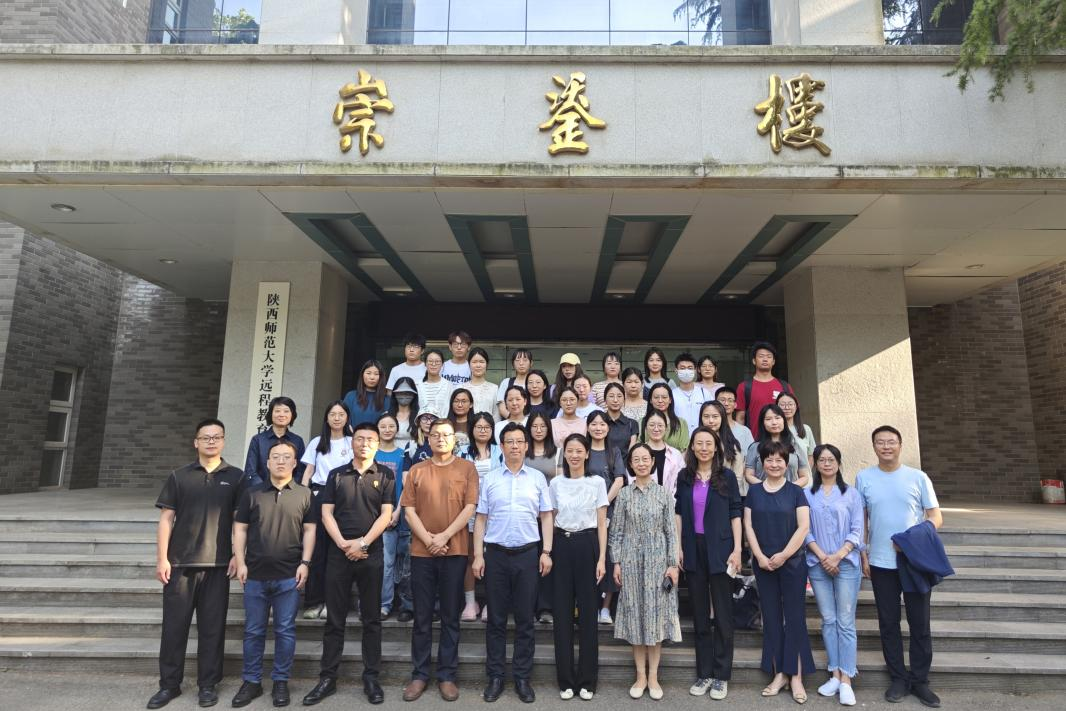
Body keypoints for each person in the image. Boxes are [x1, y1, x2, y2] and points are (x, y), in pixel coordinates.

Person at [148, 419, 246, 710]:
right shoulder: (179, 476)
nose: (211, 441)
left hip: (218, 565)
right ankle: (169, 685)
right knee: (174, 628)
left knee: (212, 629)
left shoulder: (237, 477)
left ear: (224, 441)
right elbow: (166, 520)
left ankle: (208, 685)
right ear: (196, 442)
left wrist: (237, 554)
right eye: (206, 437)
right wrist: (162, 558)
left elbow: (240, 523)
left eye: (217, 437)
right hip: (180, 565)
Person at [302, 423, 394, 707]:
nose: (365, 443)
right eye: (360, 439)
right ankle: (328, 678)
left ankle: (371, 677)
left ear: (377, 445)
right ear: (352, 443)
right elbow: (326, 513)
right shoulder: (336, 474)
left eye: (370, 440)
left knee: (372, 620)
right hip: (338, 554)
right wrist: (344, 543)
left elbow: (386, 515)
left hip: (371, 555)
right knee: (335, 619)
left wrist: (362, 543)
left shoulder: (385, 474)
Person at [856, 426, 943, 708]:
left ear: (900, 445)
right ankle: (897, 678)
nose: (886, 446)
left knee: (920, 623)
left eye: (891, 442)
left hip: (914, 561)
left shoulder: (918, 477)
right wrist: (863, 554)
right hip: (881, 563)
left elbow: (936, 517)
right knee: (888, 623)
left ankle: (920, 681)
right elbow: (862, 519)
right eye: (880, 442)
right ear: (874, 447)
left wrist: (910, 540)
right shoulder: (864, 478)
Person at [472, 422, 554, 704]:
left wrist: (546, 551)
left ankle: (522, 677)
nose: (515, 446)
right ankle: (495, 677)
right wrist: (478, 555)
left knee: (524, 620)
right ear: (502, 446)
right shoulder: (491, 479)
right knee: (495, 619)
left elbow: (546, 516)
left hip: (527, 555)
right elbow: (481, 518)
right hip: (495, 555)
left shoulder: (537, 479)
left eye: (520, 441)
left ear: (526, 446)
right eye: (510, 441)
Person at [400, 418, 480, 703]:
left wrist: (444, 536)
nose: (441, 439)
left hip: (454, 550)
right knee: (422, 616)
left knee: (449, 615)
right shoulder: (417, 470)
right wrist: (429, 539)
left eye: (446, 435)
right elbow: (409, 510)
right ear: (428, 438)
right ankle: (420, 674)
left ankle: (447, 675)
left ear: (454, 440)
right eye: (435, 435)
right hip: (422, 552)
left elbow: (470, 507)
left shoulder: (467, 468)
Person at [231, 440, 315, 708]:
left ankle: (281, 681)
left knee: (285, 630)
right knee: (253, 631)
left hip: (289, 575)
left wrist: (305, 563)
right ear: (267, 463)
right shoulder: (252, 493)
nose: (280, 461)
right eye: (275, 456)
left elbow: (310, 530)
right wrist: (240, 562)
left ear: (295, 463)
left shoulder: (304, 494)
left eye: (286, 457)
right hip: (255, 574)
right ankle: (251, 681)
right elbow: (240, 529)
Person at [744, 440, 814, 704]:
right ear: (762, 463)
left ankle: (796, 676)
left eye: (779, 460)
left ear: (787, 464)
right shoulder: (754, 492)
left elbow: (803, 527)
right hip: (764, 564)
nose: (774, 464)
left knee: (794, 619)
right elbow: (749, 526)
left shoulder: (796, 491)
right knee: (771, 618)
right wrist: (760, 556)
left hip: (792, 563)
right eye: (769, 460)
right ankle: (779, 674)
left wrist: (784, 555)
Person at [609, 443, 681, 700]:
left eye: (645, 459)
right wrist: (616, 562)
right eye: (636, 459)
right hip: (630, 563)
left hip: (658, 564)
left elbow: (670, 532)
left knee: (655, 620)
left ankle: (653, 677)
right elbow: (616, 531)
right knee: (636, 620)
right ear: (630, 464)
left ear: (652, 462)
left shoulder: (663, 494)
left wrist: (672, 565)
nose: (641, 463)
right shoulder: (624, 495)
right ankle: (640, 676)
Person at [674, 428, 742, 701]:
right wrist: (678, 546)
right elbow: (679, 512)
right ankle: (704, 673)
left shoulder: (727, 476)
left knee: (723, 615)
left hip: (721, 549)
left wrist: (738, 549)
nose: (703, 448)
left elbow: (735, 512)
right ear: (692, 447)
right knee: (700, 615)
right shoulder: (685, 476)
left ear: (716, 448)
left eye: (708, 444)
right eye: (699, 443)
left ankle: (721, 675)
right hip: (693, 548)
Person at [550, 434, 609, 700]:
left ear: (587, 454)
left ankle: (587, 680)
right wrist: (548, 551)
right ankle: (565, 680)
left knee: (588, 614)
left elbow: (602, 523)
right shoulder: (555, 483)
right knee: (562, 613)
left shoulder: (597, 482)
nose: (574, 455)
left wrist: (601, 558)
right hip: (561, 544)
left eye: (579, 451)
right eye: (570, 451)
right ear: (565, 454)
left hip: (588, 545)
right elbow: (550, 519)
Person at [805, 444, 864, 707]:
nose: (827, 464)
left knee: (845, 622)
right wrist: (823, 557)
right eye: (822, 460)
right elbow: (804, 530)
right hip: (817, 564)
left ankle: (847, 679)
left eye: (831, 459)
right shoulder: (807, 494)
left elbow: (858, 529)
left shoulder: (852, 494)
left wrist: (838, 555)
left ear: (839, 463)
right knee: (828, 620)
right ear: (815, 464)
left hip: (847, 564)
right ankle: (835, 674)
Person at [299, 401, 352, 620]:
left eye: (341, 414)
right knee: (317, 551)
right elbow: (308, 472)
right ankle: (314, 601)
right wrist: (303, 497)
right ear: (327, 418)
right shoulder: (317, 442)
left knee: (338, 553)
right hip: (319, 495)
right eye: (332, 414)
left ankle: (334, 603)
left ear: (347, 417)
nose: (337, 418)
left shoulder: (352, 442)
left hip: (345, 497)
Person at [585, 411, 627, 625]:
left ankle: (606, 608)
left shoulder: (614, 451)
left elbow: (619, 481)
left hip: (609, 512)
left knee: (610, 559)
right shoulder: (583, 450)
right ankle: (589, 605)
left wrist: (603, 503)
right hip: (585, 513)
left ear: (608, 428)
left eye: (602, 424)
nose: (598, 428)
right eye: (594, 424)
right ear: (588, 427)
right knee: (589, 558)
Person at [461, 413, 502, 622]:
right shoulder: (462, 451)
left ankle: (489, 603)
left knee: (491, 559)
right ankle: (470, 602)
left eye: (487, 427)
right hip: (469, 510)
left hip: (495, 512)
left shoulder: (499, 451)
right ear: (472, 429)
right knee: (470, 557)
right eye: (479, 427)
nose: (483, 430)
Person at [376, 414, 413, 622]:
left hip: (399, 513)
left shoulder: (402, 454)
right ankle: (384, 604)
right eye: (383, 426)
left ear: (397, 429)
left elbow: (406, 487)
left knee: (401, 565)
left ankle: (401, 604)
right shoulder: (371, 453)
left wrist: (397, 511)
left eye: (391, 426)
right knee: (385, 563)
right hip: (376, 518)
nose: (387, 429)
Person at [744, 403, 811, 488]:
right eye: (768, 419)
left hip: (790, 493)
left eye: (777, 418)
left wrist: (787, 488)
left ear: (784, 421)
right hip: (763, 493)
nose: (774, 422)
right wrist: (767, 488)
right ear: (763, 423)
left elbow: (804, 476)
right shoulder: (755, 447)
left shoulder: (795, 446)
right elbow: (748, 475)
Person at [735, 341, 794, 437]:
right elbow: (740, 418)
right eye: (761, 356)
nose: (765, 359)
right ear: (754, 361)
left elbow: (792, 415)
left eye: (769, 356)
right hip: (755, 441)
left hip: (781, 441)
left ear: (773, 362)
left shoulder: (785, 386)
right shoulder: (744, 387)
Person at [244, 396, 305, 485]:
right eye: (277, 411)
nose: (281, 414)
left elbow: (300, 471)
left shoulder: (297, 441)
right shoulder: (258, 440)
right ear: (271, 414)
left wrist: (288, 488)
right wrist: (264, 488)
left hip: (289, 491)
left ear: (292, 415)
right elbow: (250, 471)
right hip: (261, 491)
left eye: (286, 411)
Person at [699, 401, 747, 498]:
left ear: (722, 418)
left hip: (726, 496)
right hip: (700, 494)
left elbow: (738, 477)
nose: (711, 421)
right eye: (706, 416)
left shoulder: (731, 444)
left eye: (715, 416)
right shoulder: (695, 442)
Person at [641, 410, 684, 497]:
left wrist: (670, 502)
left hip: (671, 502)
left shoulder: (676, 455)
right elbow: (632, 481)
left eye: (660, 425)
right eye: (652, 425)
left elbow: (681, 483)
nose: (656, 429)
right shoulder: (638, 453)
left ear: (666, 428)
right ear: (645, 428)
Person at [343, 360, 392, 427]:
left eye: (376, 374)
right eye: (368, 373)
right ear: (362, 375)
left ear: (381, 377)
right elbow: (343, 418)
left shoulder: (387, 400)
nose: (372, 377)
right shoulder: (351, 396)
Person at [777, 391, 816, 471]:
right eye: (782, 405)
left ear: (796, 406)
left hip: (805, 477)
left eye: (790, 404)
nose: (787, 408)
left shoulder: (806, 429)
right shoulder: (775, 429)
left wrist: (804, 474)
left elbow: (811, 455)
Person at [645, 382, 690, 451]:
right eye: (656, 397)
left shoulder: (681, 423)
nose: (660, 401)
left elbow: (684, 450)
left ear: (670, 400)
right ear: (650, 400)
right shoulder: (642, 422)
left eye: (664, 397)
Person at [716, 386, 755, 462]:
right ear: (716, 403)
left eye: (730, 400)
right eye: (722, 400)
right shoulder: (711, 428)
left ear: (735, 405)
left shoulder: (745, 431)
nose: (726, 403)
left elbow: (751, 458)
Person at [603, 382, 638, 461]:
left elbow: (631, 451)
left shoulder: (632, 423)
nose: (615, 400)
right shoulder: (599, 423)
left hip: (625, 466)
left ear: (624, 399)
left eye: (619, 396)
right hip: (603, 466)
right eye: (611, 396)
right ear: (605, 400)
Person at [496, 348, 533, 419]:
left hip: (531, 423)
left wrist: (525, 422)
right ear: (513, 364)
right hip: (510, 423)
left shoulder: (534, 384)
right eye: (517, 360)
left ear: (531, 363)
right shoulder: (506, 382)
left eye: (525, 360)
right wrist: (515, 421)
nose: (521, 363)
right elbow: (502, 408)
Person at [525, 411, 561, 480]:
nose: (539, 430)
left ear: (548, 428)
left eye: (543, 426)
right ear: (529, 428)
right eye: (534, 426)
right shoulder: (522, 452)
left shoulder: (558, 452)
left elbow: (561, 480)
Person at [418, 349, 453, 419]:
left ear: (442, 364)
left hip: (443, 424)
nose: (433, 364)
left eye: (437, 361)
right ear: (425, 363)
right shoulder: (418, 385)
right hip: (422, 424)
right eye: (430, 361)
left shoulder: (448, 385)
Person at [387, 377, 419, 453]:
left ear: (414, 395)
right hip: (390, 453)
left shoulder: (419, 417)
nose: (404, 395)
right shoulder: (386, 416)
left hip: (413, 454)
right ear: (395, 394)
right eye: (400, 393)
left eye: (408, 393)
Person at [466, 347, 499, 416]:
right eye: (474, 362)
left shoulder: (494, 389)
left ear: (487, 364)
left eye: (481, 362)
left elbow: (496, 415)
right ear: (469, 364)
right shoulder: (461, 387)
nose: (478, 365)